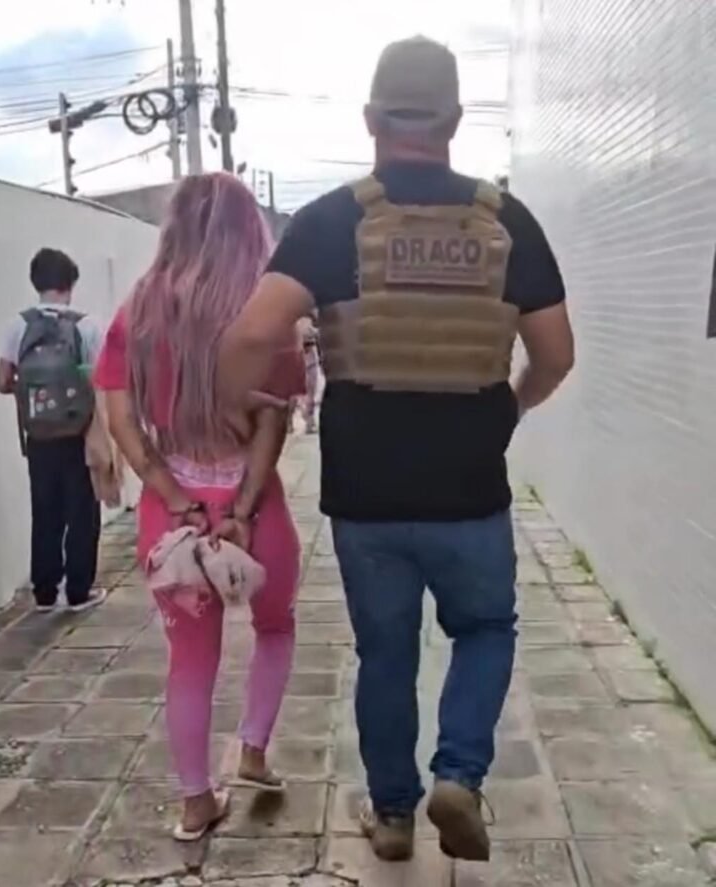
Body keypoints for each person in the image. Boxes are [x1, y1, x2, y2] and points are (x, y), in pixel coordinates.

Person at [216, 36, 574, 864]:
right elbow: (556, 355)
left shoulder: (332, 221)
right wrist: (508, 407)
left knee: (385, 653)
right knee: (484, 628)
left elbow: (249, 336)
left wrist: (238, 407)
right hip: (470, 488)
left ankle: (393, 816)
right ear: (454, 119)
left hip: (366, 496)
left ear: (371, 119)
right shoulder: (507, 222)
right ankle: (459, 773)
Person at [93, 174, 304, 840]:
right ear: (249, 231)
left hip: (173, 518)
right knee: (276, 626)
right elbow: (273, 419)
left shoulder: (138, 310)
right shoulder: (264, 314)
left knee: (189, 659)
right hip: (254, 508)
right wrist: (242, 506)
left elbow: (121, 420)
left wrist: (174, 495)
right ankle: (253, 749)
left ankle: (194, 801)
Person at [0, 248, 106, 614]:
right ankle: (78, 591)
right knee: (82, 511)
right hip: (78, 433)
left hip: (38, 436)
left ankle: (44, 592)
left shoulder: (18, 326)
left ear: (36, 283)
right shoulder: (86, 326)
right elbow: (100, 380)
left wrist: (38, 394)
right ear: (70, 284)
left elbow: (3, 381)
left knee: (45, 511)